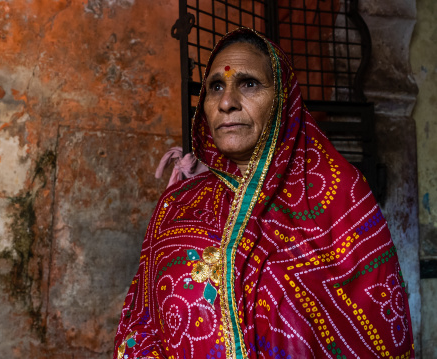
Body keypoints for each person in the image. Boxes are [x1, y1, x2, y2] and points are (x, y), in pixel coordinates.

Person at [114, 27, 414, 359]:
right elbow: (140, 322)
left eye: (249, 84)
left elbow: (379, 333)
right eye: (215, 86)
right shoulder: (177, 204)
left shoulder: (340, 194)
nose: (227, 102)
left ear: (283, 98)